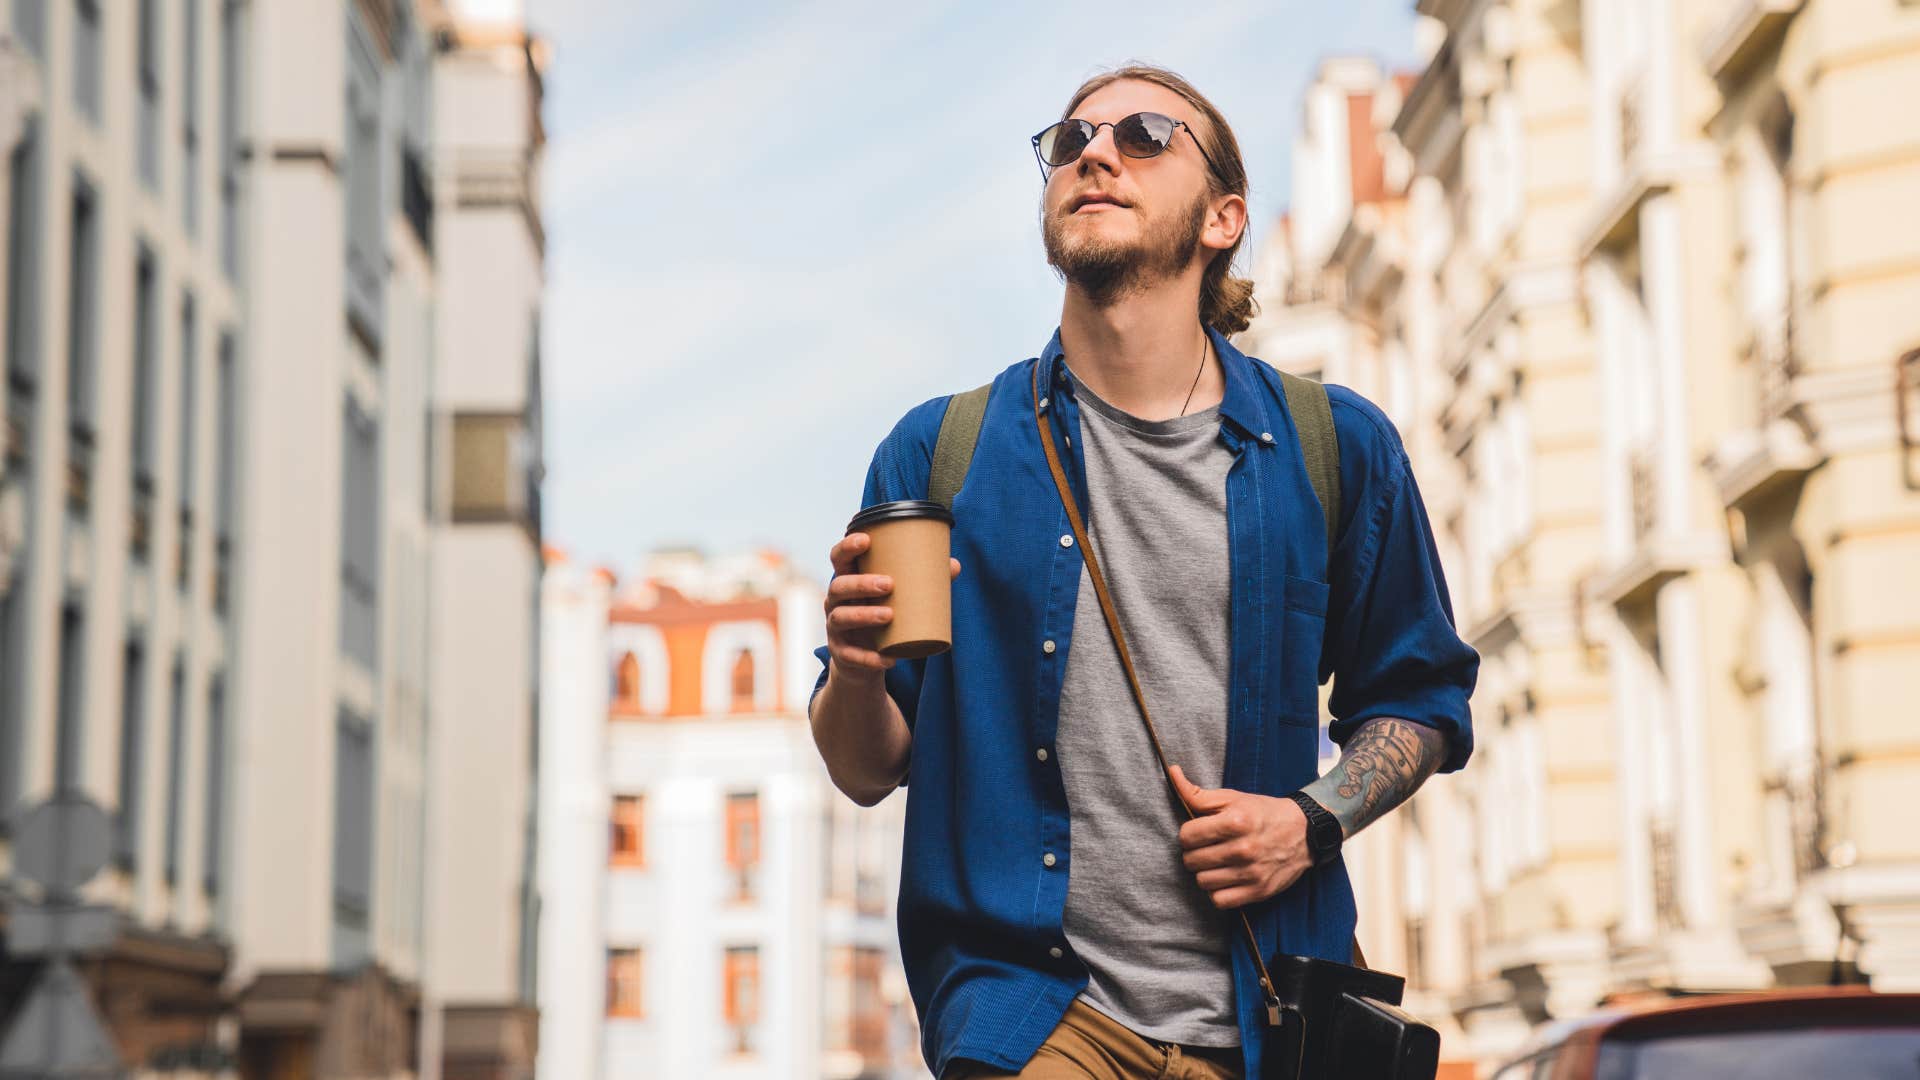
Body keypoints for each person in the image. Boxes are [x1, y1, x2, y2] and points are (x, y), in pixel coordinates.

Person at [808, 64, 1478, 1080]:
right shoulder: (939, 454)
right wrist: (855, 673)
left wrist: (1309, 822)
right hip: (1032, 1013)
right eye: (1070, 140)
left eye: (1145, 136)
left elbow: (1420, 700)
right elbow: (865, 770)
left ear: (1222, 218)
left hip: (1269, 1018)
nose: (1094, 153)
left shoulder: (1333, 447)